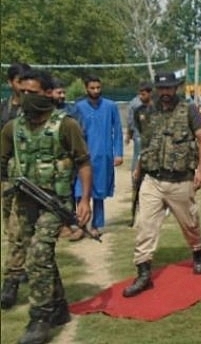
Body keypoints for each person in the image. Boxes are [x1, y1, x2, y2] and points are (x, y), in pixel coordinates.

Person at [0, 69, 92, 344]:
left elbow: (83, 162)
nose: (26, 97)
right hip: (23, 202)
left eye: (33, 92)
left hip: (55, 202)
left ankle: (40, 318)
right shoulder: (12, 128)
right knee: (39, 257)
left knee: (39, 255)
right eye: (23, 91)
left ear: (49, 93)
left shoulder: (66, 125)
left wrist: (84, 199)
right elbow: (2, 163)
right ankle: (60, 306)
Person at [122, 71, 201, 298]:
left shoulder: (188, 109)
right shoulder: (148, 112)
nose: (165, 93)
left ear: (176, 88)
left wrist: (200, 170)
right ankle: (143, 273)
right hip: (153, 179)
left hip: (180, 179)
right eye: (161, 89)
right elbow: (148, 143)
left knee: (190, 223)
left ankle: (198, 250)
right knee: (145, 225)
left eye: (169, 89)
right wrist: (139, 168)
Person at [71, 75, 123, 239]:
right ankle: (80, 225)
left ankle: (97, 225)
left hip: (104, 155)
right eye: (92, 88)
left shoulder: (110, 106)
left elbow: (118, 130)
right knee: (80, 192)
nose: (95, 91)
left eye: (98, 88)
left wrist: (118, 153)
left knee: (99, 193)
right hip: (83, 156)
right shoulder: (78, 107)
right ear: (86, 88)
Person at [0, 62, 31, 309]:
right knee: (11, 228)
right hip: (6, 178)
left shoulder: (37, 109)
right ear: (11, 82)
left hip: (30, 179)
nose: (24, 86)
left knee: (18, 229)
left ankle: (11, 280)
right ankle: (20, 268)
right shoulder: (4, 110)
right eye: (20, 81)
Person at [126, 81, 154, 178]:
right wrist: (129, 134)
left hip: (153, 136)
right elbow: (131, 121)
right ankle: (135, 178)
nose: (141, 97)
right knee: (138, 155)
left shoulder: (156, 106)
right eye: (140, 94)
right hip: (139, 135)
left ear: (150, 93)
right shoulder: (136, 105)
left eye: (143, 94)